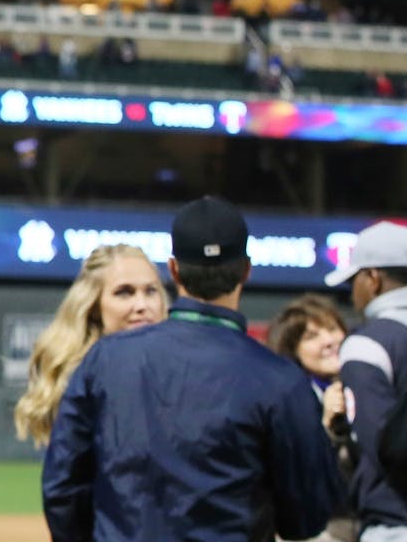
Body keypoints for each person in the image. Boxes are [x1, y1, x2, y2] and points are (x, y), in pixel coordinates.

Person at [42, 196, 340, 542]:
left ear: (174, 269)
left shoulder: (105, 358)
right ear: (246, 270)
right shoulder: (281, 379)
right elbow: (304, 520)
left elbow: (62, 488)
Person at [13, 244, 166, 447]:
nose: (142, 305)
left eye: (150, 291)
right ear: (94, 305)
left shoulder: (181, 366)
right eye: (124, 293)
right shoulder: (79, 378)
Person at [329, 221, 407, 540]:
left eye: (354, 281)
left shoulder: (368, 343)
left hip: (394, 521)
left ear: (372, 278)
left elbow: (378, 444)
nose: (353, 294)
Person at [268, 294, 357, 542]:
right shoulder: (286, 402)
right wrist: (327, 426)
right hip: (316, 529)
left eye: (332, 329)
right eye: (311, 336)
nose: (329, 341)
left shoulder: (365, 386)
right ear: (292, 350)